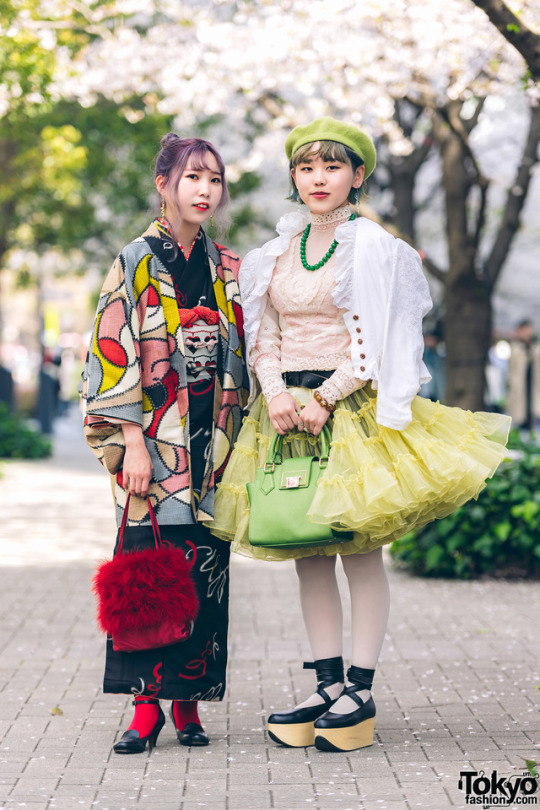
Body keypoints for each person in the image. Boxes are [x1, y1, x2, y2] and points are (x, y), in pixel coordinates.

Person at [210, 117, 510, 753]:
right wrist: (280, 394)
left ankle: (361, 690)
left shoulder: (376, 248)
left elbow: (382, 339)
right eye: (307, 167)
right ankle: (325, 686)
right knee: (306, 547)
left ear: (359, 175)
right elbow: (261, 335)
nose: (320, 179)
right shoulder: (272, 254)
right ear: (294, 176)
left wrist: (323, 396)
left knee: (356, 546)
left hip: (348, 408)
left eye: (333, 167)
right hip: (285, 410)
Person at [80, 134, 248, 754]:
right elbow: (109, 350)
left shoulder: (226, 266)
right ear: (164, 185)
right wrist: (133, 443)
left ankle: (189, 703)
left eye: (215, 180)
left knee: (206, 570)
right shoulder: (134, 260)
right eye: (193, 178)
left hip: (214, 444)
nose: (205, 191)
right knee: (152, 566)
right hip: (157, 439)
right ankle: (145, 707)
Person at [506, 319, 540, 434]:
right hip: (520, 385)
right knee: (520, 413)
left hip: (533, 384)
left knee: (534, 410)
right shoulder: (515, 349)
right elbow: (511, 370)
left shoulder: (536, 348)